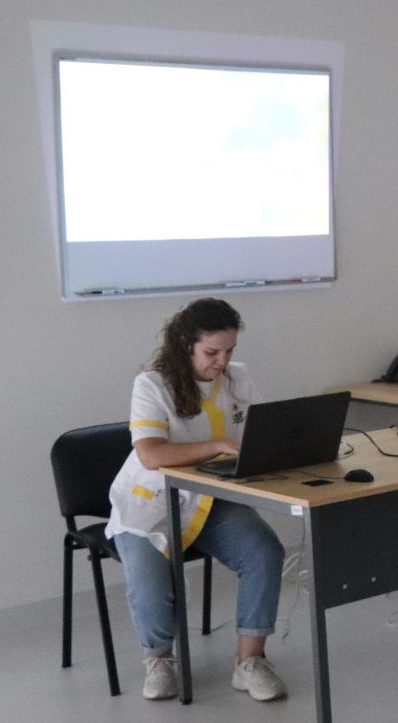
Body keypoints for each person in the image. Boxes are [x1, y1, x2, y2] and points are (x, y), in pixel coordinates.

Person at [105, 298, 288, 701]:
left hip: (210, 499)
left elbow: (260, 431)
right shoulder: (152, 384)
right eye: (212, 352)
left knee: (264, 551)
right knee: (151, 584)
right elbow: (150, 454)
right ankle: (158, 659)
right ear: (186, 344)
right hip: (149, 504)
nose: (223, 361)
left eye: (230, 351)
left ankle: (250, 661)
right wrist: (219, 445)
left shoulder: (237, 377)